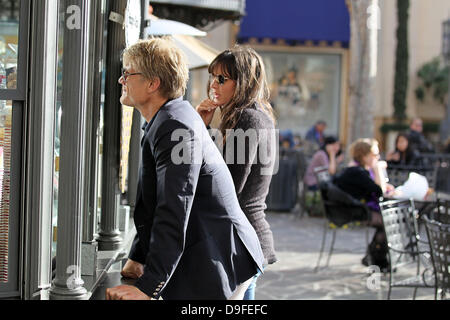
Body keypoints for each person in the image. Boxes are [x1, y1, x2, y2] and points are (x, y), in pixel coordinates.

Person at [106, 38, 264, 300]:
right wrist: (137, 256)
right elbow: (151, 206)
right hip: (208, 257)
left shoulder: (174, 125)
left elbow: (174, 208)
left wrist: (148, 288)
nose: (121, 81)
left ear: (153, 83)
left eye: (127, 73)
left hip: (219, 261)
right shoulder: (168, 117)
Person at [195, 45, 278, 300]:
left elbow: (225, 186)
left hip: (241, 240)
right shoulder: (248, 116)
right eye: (212, 77)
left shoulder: (248, 119)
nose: (214, 85)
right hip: (242, 239)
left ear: (242, 82)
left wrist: (201, 130)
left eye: (222, 79)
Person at [333, 138, 394, 271]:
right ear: (364, 155)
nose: (377, 157)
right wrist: (377, 169)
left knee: (387, 220)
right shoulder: (357, 171)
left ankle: (374, 257)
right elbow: (380, 192)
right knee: (388, 222)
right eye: (374, 154)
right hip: (347, 212)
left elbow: (373, 190)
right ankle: (376, 259)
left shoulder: (357, 169)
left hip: (352, 208)